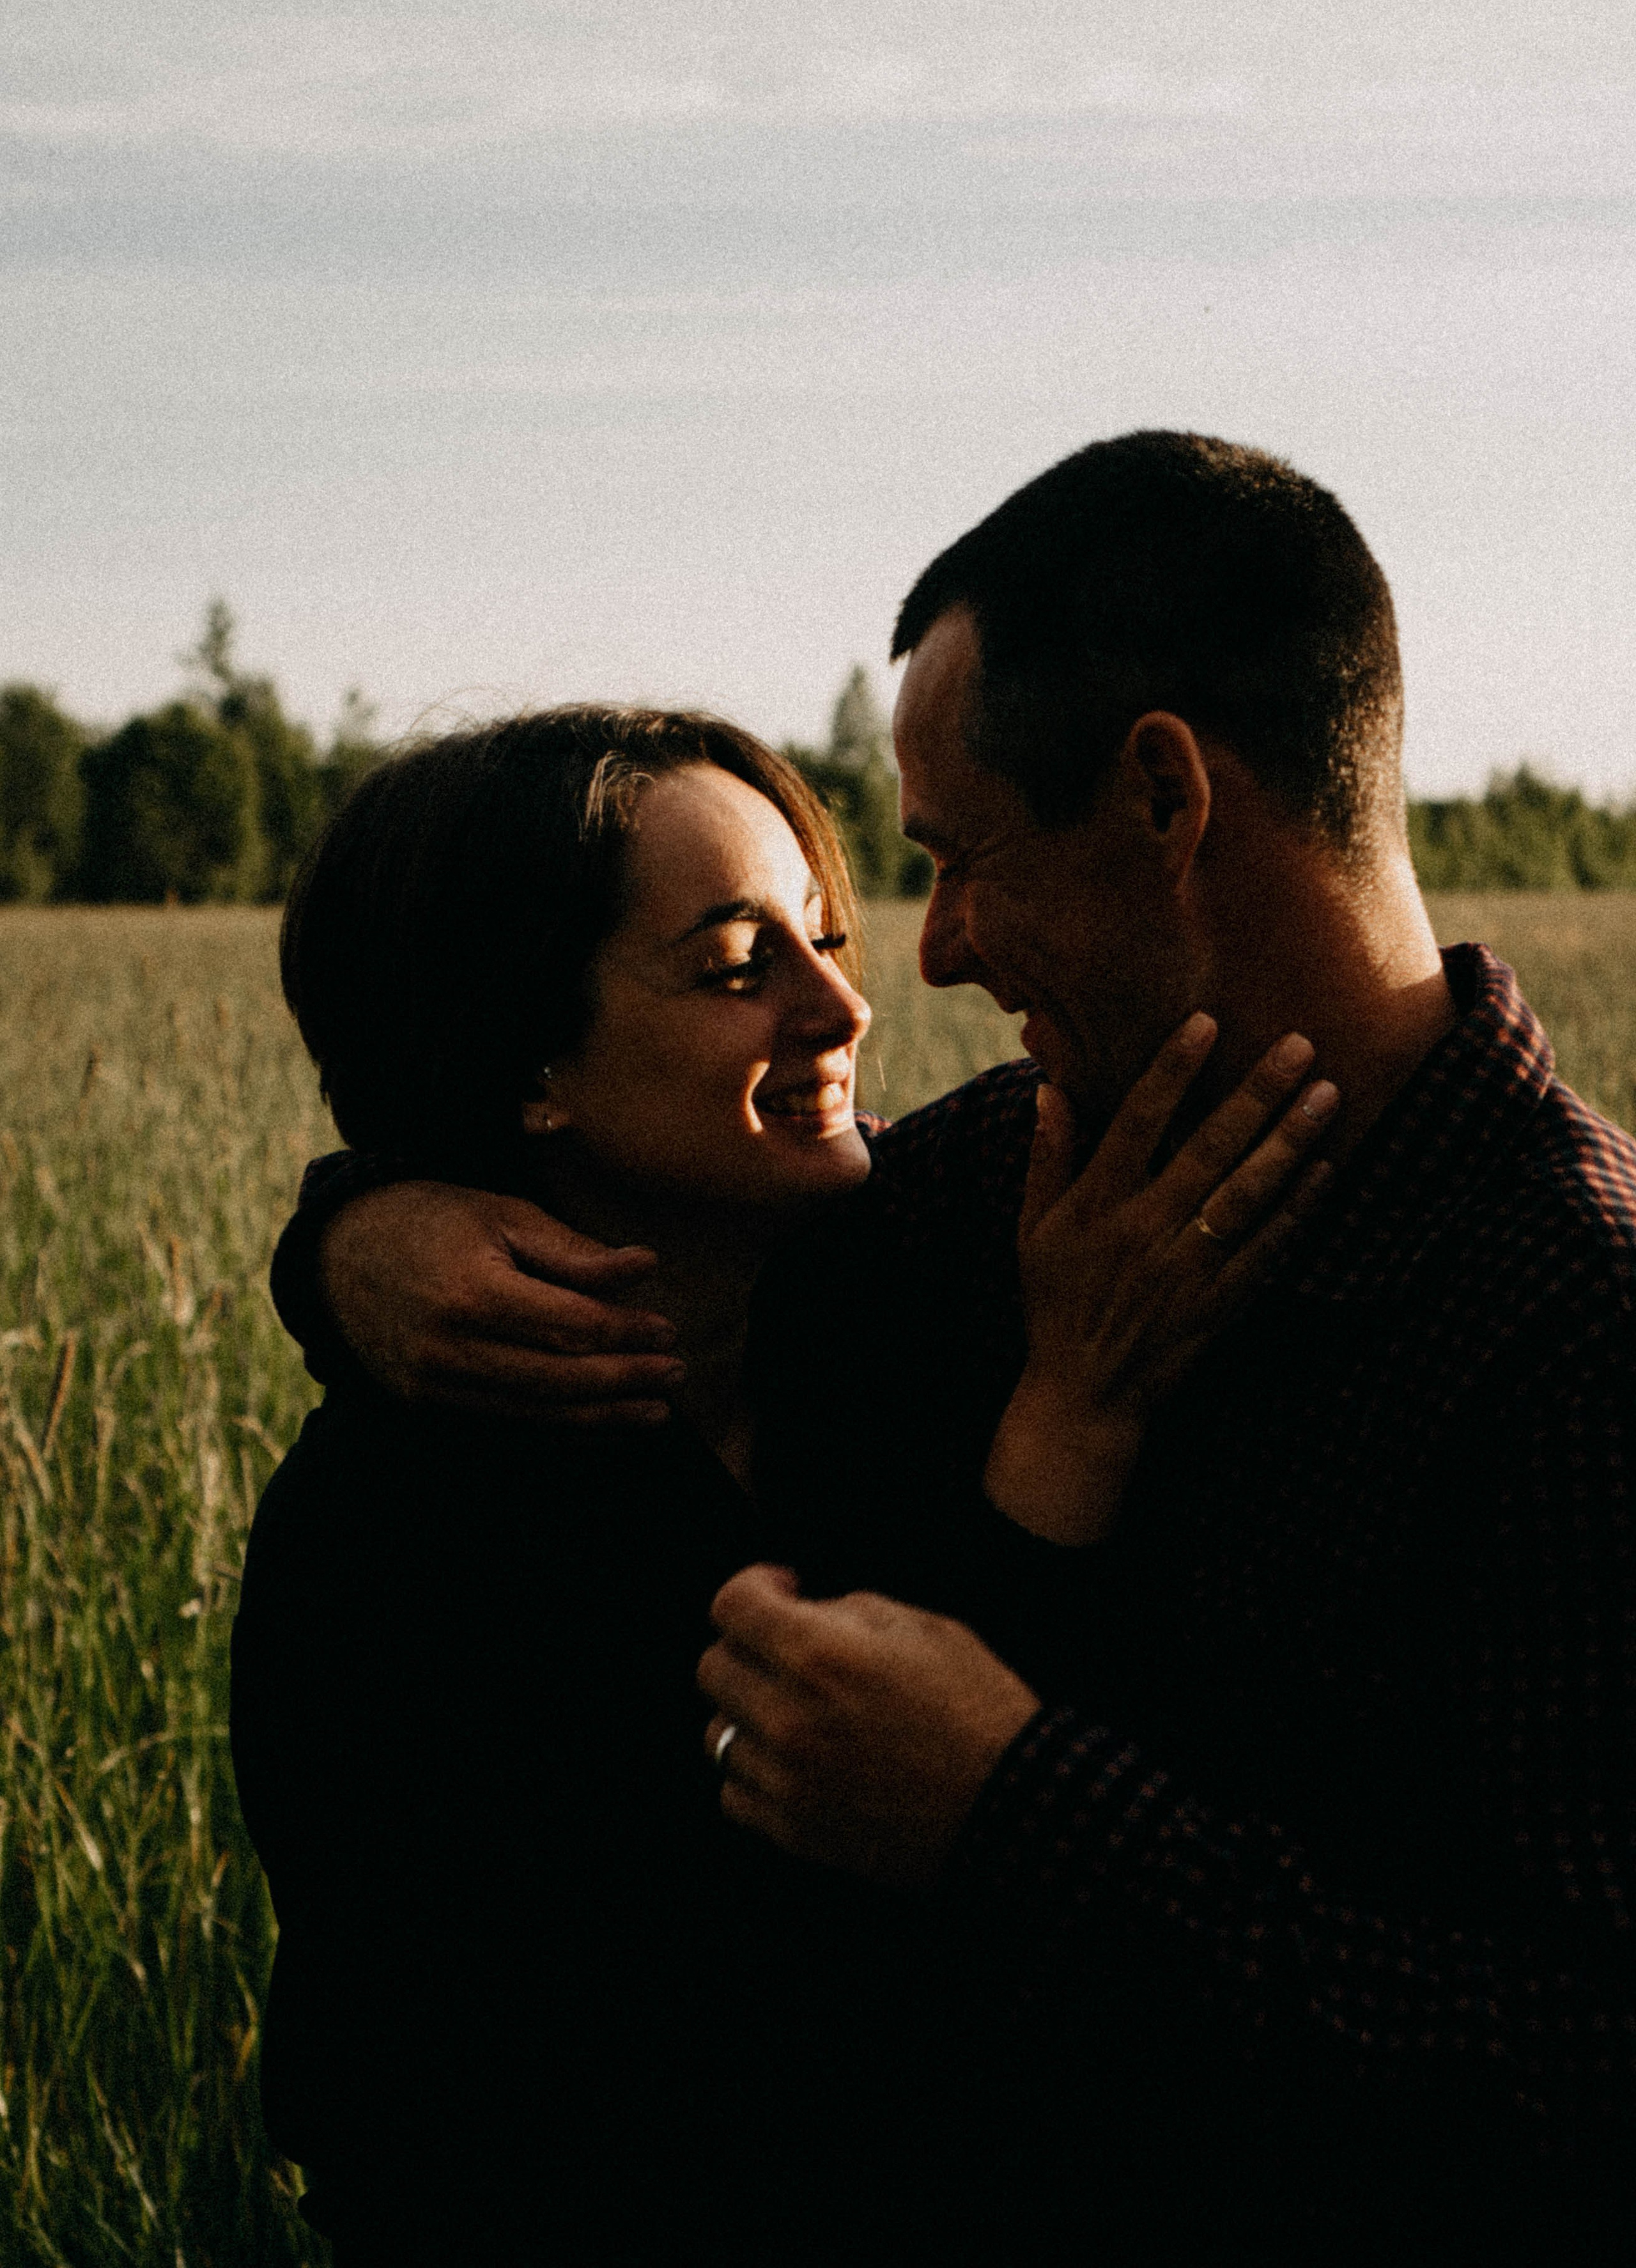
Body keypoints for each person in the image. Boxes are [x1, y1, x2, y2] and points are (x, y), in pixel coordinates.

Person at [269, 430, 1636, 2261]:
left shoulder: (1577, 1325)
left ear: (1165, 799)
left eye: (961, 861)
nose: (921, 964)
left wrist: (1027, 1817)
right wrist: (362, 1226)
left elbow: (1589, 2083)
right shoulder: (1010, 1173)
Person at [236, 695, 1327, 2265]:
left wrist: (342, 1227)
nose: (841, 1009)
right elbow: (809, 2033)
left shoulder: (904, 1280)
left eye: (827, 937)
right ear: (523, 1061)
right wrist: (1063, 1441)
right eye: (739, 966)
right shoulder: (401, 1542)